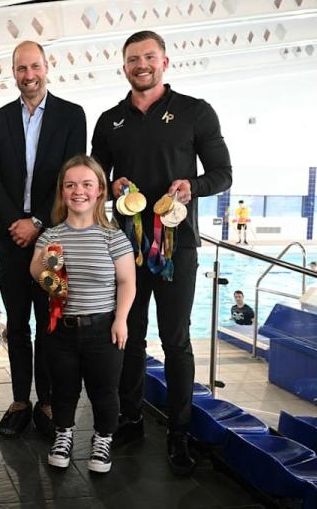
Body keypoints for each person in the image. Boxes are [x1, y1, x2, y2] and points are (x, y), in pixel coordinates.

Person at [90, 30, 232, 476]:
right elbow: (94, 177)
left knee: (175, 340)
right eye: (133, 59)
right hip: (126, 247)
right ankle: (131, 419)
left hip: (177, 245)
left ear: (165, 62)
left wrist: (194, 187)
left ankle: (179, 433)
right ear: (124, 66)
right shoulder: (110, 119)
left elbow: (223, 174)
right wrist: (108, 186)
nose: (141, 64)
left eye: (149, 57)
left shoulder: (195, 111)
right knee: (127, 336)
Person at [0, 40, 87, 438]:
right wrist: (17, 223)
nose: (29, 75)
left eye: (35, 67)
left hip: (54, 237)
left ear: (47, 66)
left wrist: (39, 222)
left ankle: (46, 401)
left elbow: (72, 174)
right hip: (11, 239)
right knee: (18, 324)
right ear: (14, 72)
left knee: (49, 322)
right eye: (21, 69)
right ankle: (19, 400)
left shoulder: (72, 116)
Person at [30, 155, 135, 473]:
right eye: (71, 184)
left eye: (87, 184)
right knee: (63, 390)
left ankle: (103, 440)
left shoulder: (113, 236)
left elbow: (128, 280)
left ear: (100, 190)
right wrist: (49, 266)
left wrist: (121, 319)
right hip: (62, 329)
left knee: (105, 392)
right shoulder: (51, 235)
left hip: (103, 329)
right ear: (62, 191)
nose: (79, 191)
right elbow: (35, 270)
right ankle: (63, 435)